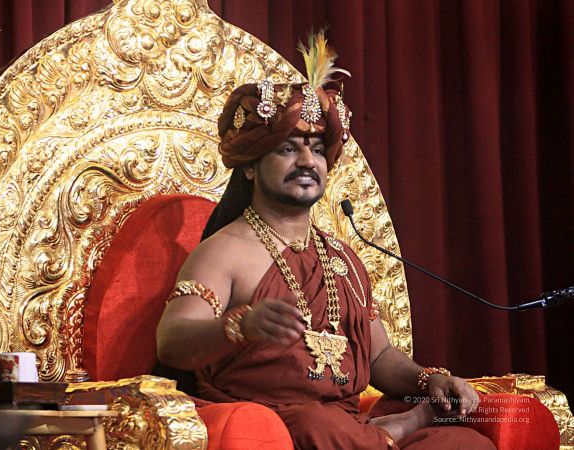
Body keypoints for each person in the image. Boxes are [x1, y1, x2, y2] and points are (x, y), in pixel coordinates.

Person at [156, 34, 496, 449]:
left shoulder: (342, 257)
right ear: (250, 167)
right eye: (287, 148)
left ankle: (387, 432)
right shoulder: (223, 251)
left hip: (346, 425)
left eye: (317, 149)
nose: (306, 161)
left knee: (465, 443)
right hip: (277, 427)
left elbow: (379, 357)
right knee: (316, 426)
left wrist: (429, 380)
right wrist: (239, 325)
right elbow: (172, 341)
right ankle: (394, 430)